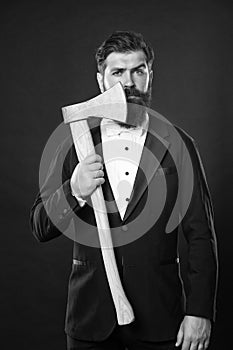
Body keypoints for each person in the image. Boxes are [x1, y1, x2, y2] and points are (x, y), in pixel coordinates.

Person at [30, 31, 218, 350]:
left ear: (150, 76)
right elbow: (39, 227)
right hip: (90, 319)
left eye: (138, 70)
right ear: (101, 81)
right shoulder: (74, 145)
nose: (128, 82)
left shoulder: (180, 144)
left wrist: (200, 312)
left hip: (162, 318)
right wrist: (74, 191)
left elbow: (201, 234)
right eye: (118, 72)